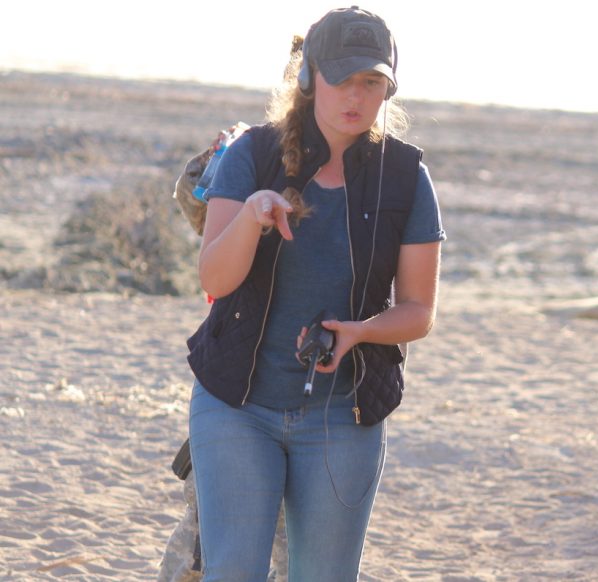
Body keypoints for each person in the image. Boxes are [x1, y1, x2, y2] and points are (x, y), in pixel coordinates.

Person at [185, 7, 444, 581]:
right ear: (308, 79)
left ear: (388, 88)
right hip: (236, 406)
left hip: (343, 415)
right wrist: (252, 216)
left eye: (371, 82)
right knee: (233, 571)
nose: (356, 95)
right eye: (342, 78)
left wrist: (360, 333)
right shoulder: (251, 154)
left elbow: (418, 311)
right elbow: (215, 280)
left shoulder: (405, 177)